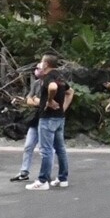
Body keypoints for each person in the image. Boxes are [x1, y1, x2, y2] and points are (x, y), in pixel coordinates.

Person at [25, 54, 73, 191]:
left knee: (46, 150)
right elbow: (71, 92)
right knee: (60, 148)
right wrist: (64, 107)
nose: (40, 64)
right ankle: (63, 178)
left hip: (47, 118)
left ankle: (42, 180)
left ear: (46, 64)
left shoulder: (48, 78)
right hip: (59, 118)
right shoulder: (60, 77)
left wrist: (50, 100)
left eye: (41, 62)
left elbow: (52, 87)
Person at [8, 68, 46, 182]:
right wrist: (35, 100)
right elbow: (28, 99)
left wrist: (36, 100)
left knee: (44, 149)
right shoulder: (36, 83)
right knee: (28, 146)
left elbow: (46, 103)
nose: (37, 70)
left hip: (46, 119)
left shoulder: (50, 84)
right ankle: (24, 172)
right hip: (34, 119)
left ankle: (45, 174)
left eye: (40, 68)